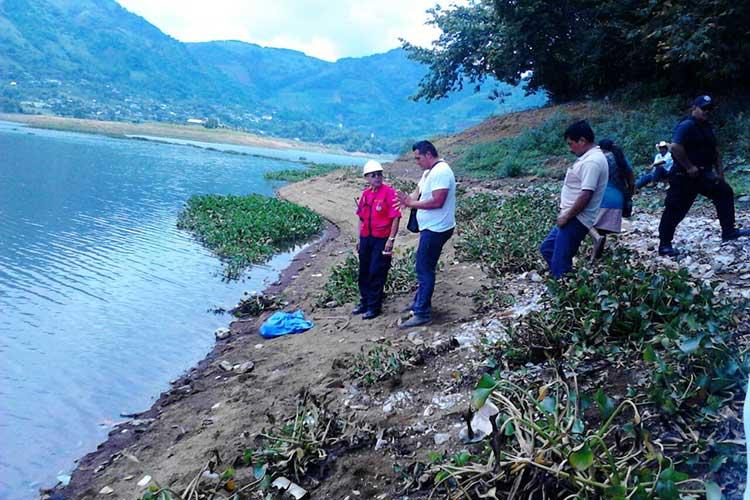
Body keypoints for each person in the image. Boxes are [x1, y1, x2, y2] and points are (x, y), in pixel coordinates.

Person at [657, 95, 749, 256]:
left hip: (703, 174)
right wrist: (689, 166)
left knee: (724, 192)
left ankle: (729, 231)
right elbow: (675, 147)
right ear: (694, 108)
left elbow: (716, 151)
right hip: (684, 175)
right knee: (675, 209)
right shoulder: (686, 125)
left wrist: (720, 173)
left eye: (710, 109)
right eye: (704, 108)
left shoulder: (707, 126)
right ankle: (664, 245)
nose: (707, 112)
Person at [395, 140, 456, 328]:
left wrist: (412, 204)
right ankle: (419, 303)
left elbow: (438, 201)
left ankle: (422, 312)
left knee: (424, 268)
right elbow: (418, 191)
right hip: (431, 227)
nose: (417, 161)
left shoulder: (441, 171)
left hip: (437, 228)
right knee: (425, 266)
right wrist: (407, 200)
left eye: (418, 157)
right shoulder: (429, 172)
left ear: (428, 154)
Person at [539, 120, 609, 278]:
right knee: (547, 248)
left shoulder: (592, 161)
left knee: (560, 262)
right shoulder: (589, 158)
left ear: (582, 140)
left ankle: (565, 288)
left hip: (576, 218)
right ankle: (568, 282)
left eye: (571, 144)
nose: (569, 149)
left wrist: (566, 216)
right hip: (571, 216)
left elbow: (586, 194)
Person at [352, 160, 401, 319]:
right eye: (373, 175)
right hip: (366, 238)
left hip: (381, 239)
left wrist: (391, 239)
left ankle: (374, 306)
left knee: (377, 271)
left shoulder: (389, 193)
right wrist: (359, 238)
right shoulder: (366, 194)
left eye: (379, 174)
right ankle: (365, 301)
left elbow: (395, 218)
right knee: (364, 271)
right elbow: (360, 218)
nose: (377, 178)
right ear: (366, 177)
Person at [590, 139, 635, 260]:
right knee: (602, 232)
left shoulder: (599, 159)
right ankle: (595, 259)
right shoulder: (620, 160)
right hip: (617, 199)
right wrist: (628, 196)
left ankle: (594, 255)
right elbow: (631, 180)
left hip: (601, 198)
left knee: (583, 220)